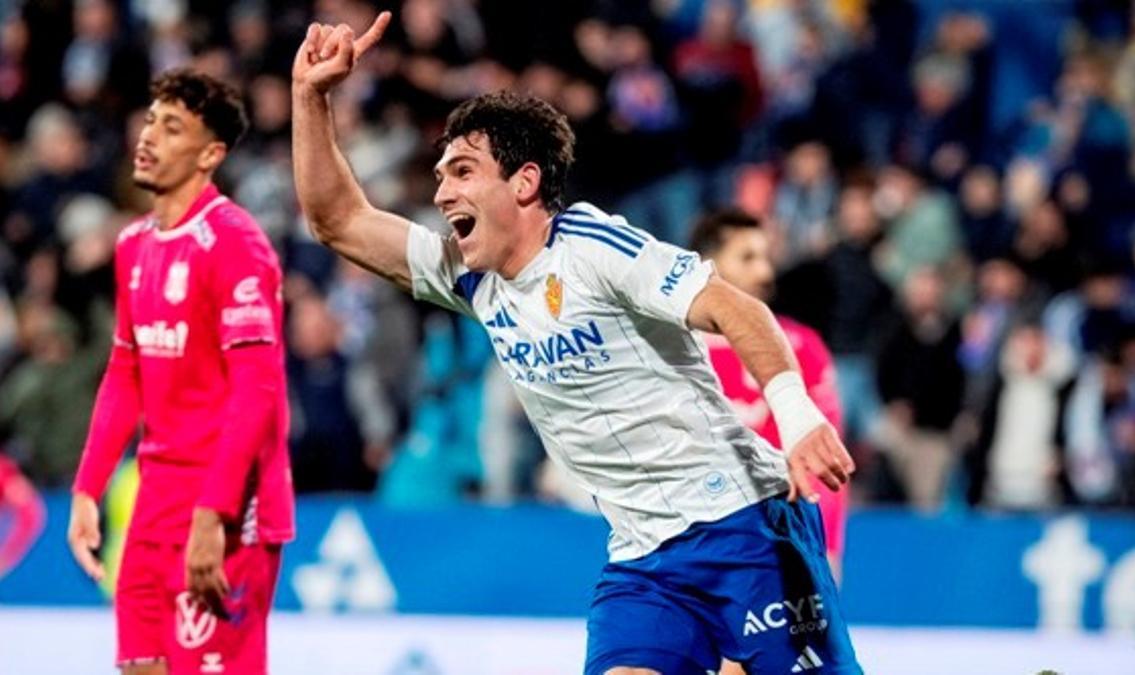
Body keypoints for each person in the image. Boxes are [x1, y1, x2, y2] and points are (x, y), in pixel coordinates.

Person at [293, 13, 860, 675]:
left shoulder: (592, 247)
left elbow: (739, 309)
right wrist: (310, 96)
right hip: (645, 558)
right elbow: (339, 221)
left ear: (524, 182)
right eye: (442, 174)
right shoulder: (473, 278)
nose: (442, 192)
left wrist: (797, 418)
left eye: (463, 171)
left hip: (745, 526)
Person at [66, 69, 293, 675]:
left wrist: (214, 514)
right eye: (150, 121)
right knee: (139, 666)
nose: (148, 137)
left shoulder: (237, 245)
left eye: (172, 128)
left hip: (228, 507)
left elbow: (257, 392)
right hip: (154, 505)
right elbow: (125, 372)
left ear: (210, 155)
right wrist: (88, 488)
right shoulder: (133, 245)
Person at [690, 210, 849, 675]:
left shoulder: (802, 348)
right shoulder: (670, 353)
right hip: (694, 548)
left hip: (781, 547)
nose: (765, 271)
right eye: (747, 257)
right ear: (708, 266)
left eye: (766, 257)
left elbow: (824, 462)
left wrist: (826, 548)